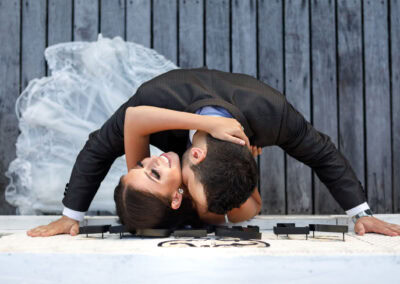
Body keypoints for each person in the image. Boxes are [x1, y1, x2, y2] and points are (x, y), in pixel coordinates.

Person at [28, 67, 400, 237]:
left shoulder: (273, 113)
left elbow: (322, 153)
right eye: (150, 171)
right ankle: (239, 177)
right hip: (213, 158)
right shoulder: (157, 100)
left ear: (197, 156)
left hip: (190, 119)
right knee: (236, 211)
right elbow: (98, 145)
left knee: (233, 210)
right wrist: (70, 216)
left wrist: (360, 213)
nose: (149, 160)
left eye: (144, 166)